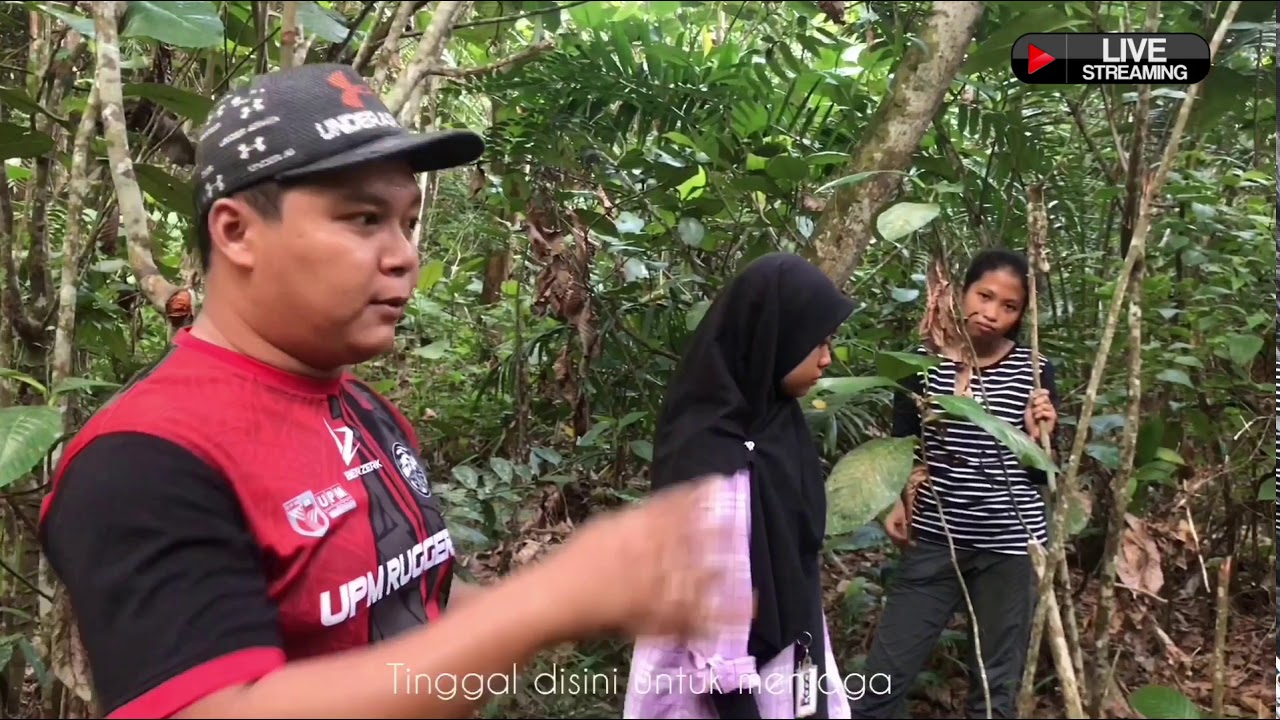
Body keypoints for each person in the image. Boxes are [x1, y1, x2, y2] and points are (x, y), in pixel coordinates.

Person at [37, 63, 747, 720]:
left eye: (408, 222)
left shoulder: (365, 411)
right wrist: (544, 604)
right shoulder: (145, 458)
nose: (405, 253)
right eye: (364, 219)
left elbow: (420, 615)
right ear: (237, 232)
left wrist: (591, 595)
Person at [623, 253, 858, 719]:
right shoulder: (718, 465)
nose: (828, 359)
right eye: (818, 344)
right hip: (731, 690)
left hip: (787, 662)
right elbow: (718, 647)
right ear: (776, 340)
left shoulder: (775, 424)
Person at [849, 248, 1060, 719]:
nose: (992, 313)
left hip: (1009, 546)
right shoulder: (919, 363)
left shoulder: (1035, 369)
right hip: (935, 539)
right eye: (984, 296)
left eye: (1009, 307)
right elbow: (905, 443)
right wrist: (896, 502)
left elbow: (1040, 473)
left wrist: (1037, 432)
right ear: (959, 292)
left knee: (995, 692)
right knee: (880, 682)